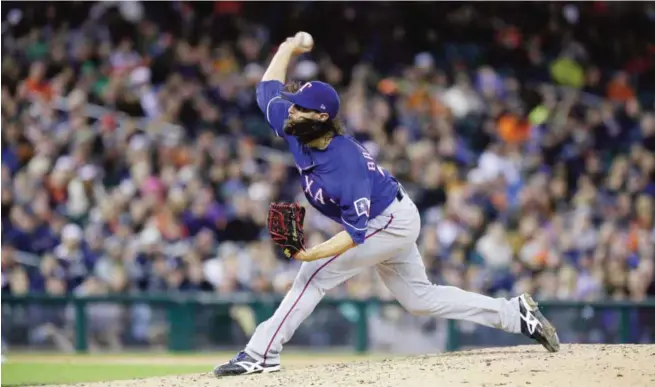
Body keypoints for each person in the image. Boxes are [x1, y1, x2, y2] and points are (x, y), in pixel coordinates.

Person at [213, 34, 560, 378]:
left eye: (300, 107)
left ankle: (260, 353)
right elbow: (266, 90)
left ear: (320, 118)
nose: (291, 109)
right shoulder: (293, 126)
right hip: (390, 212)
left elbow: (355, 234)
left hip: (388, 221)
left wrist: (311, 254)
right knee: (419, 300)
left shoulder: (344, 164)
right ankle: (515, 314)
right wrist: (287, 47)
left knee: (313, 277)